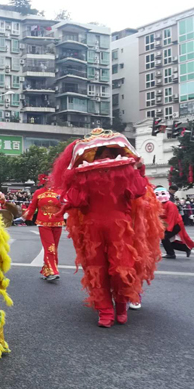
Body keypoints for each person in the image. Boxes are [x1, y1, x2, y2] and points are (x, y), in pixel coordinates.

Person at [52, 129, 161, 328]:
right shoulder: (84, 179)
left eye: (110, 154)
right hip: (92, 230)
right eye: (101, 155)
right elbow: (75, 200)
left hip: (121, 230)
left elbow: (138, 191)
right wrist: (71, 180)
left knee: (121, 270)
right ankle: (105, 310)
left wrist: (137, 170)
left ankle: (121, 304)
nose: (106, 159)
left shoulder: (126, 176)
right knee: (97, 270)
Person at [22, 174, 64, 281]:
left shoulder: (60, 192)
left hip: (58, 222)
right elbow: (32, 207)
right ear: (44, 181)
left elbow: (65, 206)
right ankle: (53, 271)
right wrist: (23, 218)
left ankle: (47, 270)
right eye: (48, 179)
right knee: (50, 248)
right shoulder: (38, 192)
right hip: (44, 223)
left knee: (54, 248)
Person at [155, 186, 194, 259]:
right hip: (166, 224)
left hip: (175, 224)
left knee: (165, 238)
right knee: (168, 241)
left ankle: (171, 254)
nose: (160, 196)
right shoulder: (158, 204)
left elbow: (171, 217)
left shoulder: (170, 204)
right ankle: (185, 249)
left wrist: (168, 228)